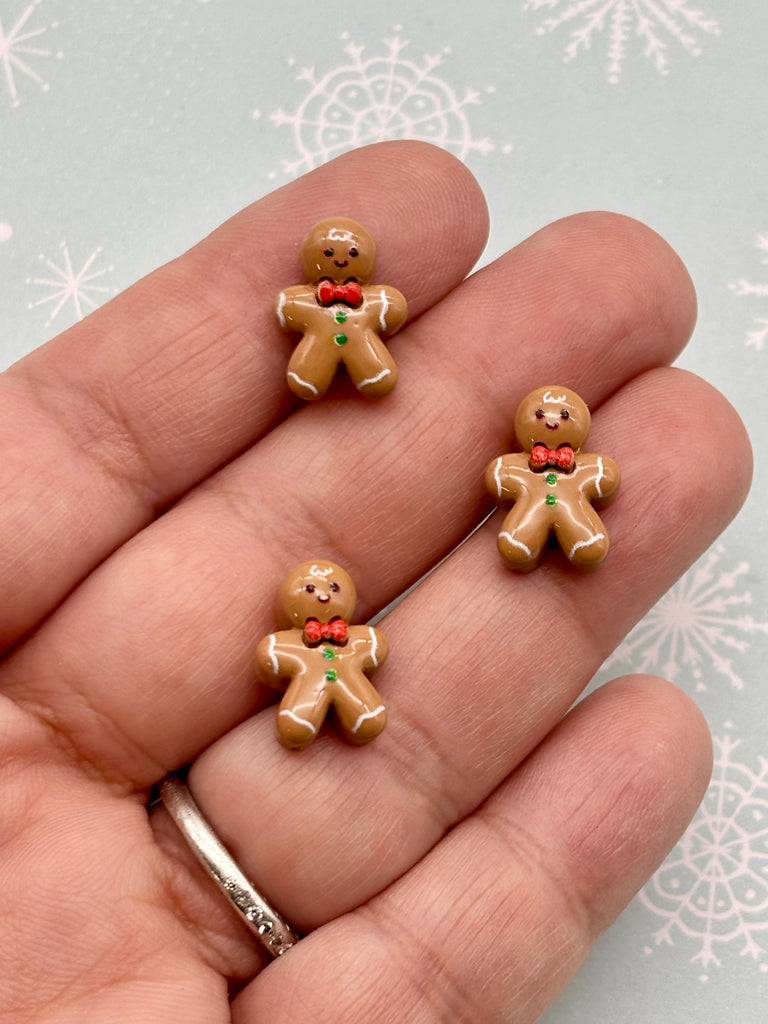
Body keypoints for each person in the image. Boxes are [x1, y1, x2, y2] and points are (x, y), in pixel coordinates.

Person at [0, 141, 751, 1022]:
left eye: (555, 416)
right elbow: (307, 640)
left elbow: (382, 624)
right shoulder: (304, 306)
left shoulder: (540, 459)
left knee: (543, 543)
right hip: (329, 374)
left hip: (538, 521)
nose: (350, 262)